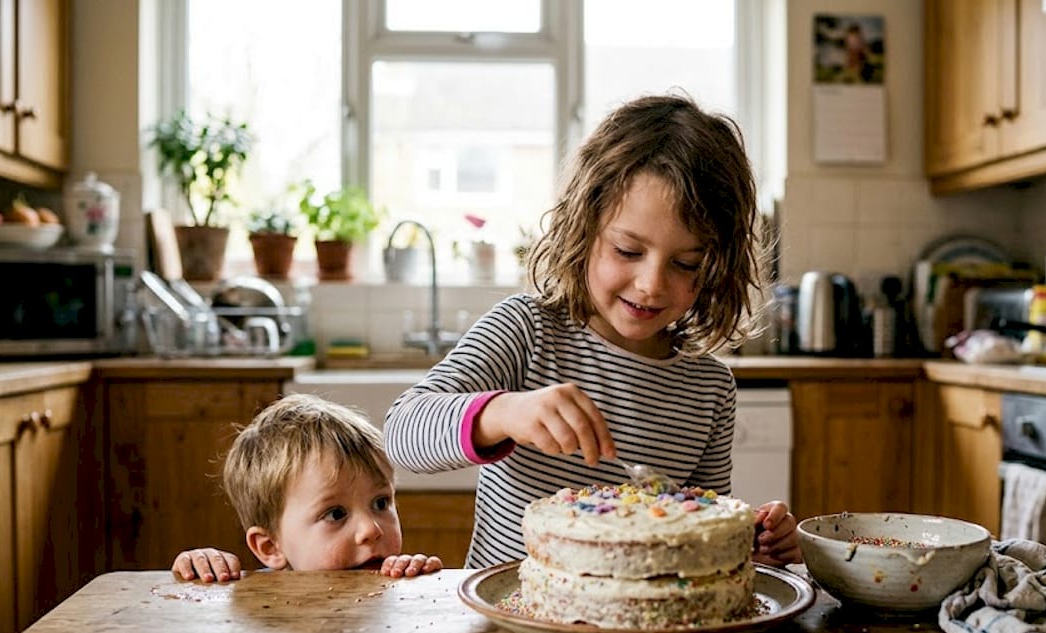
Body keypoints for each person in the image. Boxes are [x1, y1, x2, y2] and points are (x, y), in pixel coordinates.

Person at [384, 92, 801, 570]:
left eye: (686, 264)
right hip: (511, 627)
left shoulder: (709, 390)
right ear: (583, 228)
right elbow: (402, 431)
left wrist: (755, 545)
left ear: (716, 268)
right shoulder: (527, 331)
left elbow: (700, 532)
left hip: (642, 630)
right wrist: (503, 413)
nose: (651, 284)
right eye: (627, 251)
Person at [172, 393, 442, 582]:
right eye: (336, 514)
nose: (372, 530)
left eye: (381, 503)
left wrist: (417, 582)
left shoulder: (395, 580)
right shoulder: (259, 602)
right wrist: (199, 569)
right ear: (270, 547)